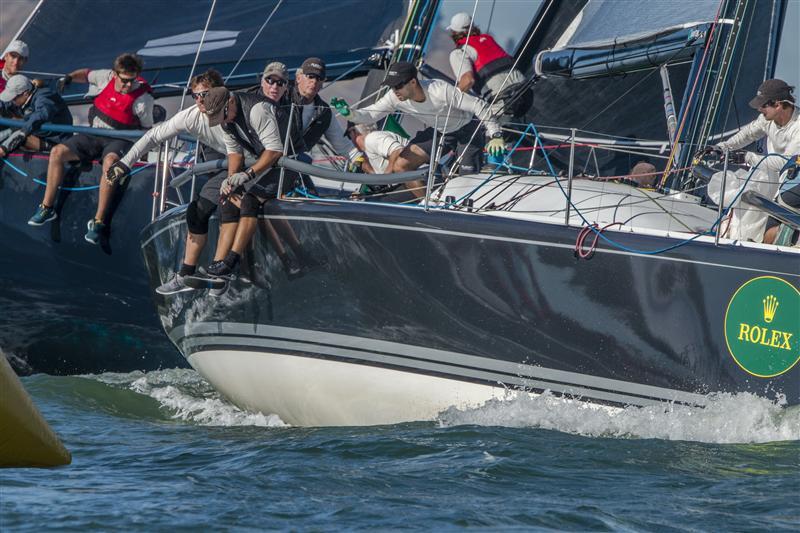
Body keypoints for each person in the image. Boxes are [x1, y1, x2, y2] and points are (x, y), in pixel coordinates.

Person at [331, 61, 505, 196]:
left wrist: (495, 134)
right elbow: (371, 114)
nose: (395, 90)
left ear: (413, 82)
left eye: (398, 85)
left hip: (467, 129)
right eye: (392, 86)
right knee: (401, 166)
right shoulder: (395, 97)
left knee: (467, 180)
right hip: (440, 131)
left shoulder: (439, 90)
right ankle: (427, 205)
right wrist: (350, 114)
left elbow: (479, 105)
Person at [28, 53, 154, 239]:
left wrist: (141, 157)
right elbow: (86, 74)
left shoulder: (143, 100)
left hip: (120, 139)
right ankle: (47, 208)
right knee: (57, 152)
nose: (128, 85)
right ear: (115, 74)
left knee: (110, 163)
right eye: (124, 80)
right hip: (94, 135)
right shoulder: (104, 77)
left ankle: (98, 221)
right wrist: (70, 77)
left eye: (132, 81)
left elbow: (146, 132)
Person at [198, 86, 288, 280]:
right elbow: (235, 153)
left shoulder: (257, 110)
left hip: (288, 162)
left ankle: (232, 262)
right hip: (264, 163)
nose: (222, 122)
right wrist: (230, 181)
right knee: (229, 201)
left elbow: (274, 151)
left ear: (230, 102)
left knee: (249, 202)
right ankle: (220, 265)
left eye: (222, 116)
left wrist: (247, 175)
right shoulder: (225, 120)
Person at [713, 79, 800, 243]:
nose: (760, 109)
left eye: (763, 105)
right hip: (786, 180)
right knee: (769, 231)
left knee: (776, 226)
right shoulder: (767, 120)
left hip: (795, 182)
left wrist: (746, 157)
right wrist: (721, 147)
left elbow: (786, 161)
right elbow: (747, 134)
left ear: (778, 104)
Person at [446, 12, 530, 121]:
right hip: (526, 92)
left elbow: (468, 81)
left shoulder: (459, 52)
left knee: (482, 132)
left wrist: (451, 101)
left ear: (454, 33)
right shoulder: (488, 39)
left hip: (504, 103)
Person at [289, 57, 364, 171]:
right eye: (310, 76)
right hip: (269, 159)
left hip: (294, 165)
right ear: (298, 78)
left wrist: (370, 172)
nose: (314, 81)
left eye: (319, 78)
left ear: (322, 83)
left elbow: (344, 147)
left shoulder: (324, 112)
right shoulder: (283, 99)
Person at [0, 75, 73, 158]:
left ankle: (3, 150)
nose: (11, 100)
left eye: (13, 98)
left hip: (56, 141)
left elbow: (41, 114)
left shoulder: (44, 96)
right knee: (12, 128)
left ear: (25, 94)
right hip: (38, 134)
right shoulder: (21, 97)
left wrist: (23, 132)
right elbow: (4, 103)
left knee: (19, 135)